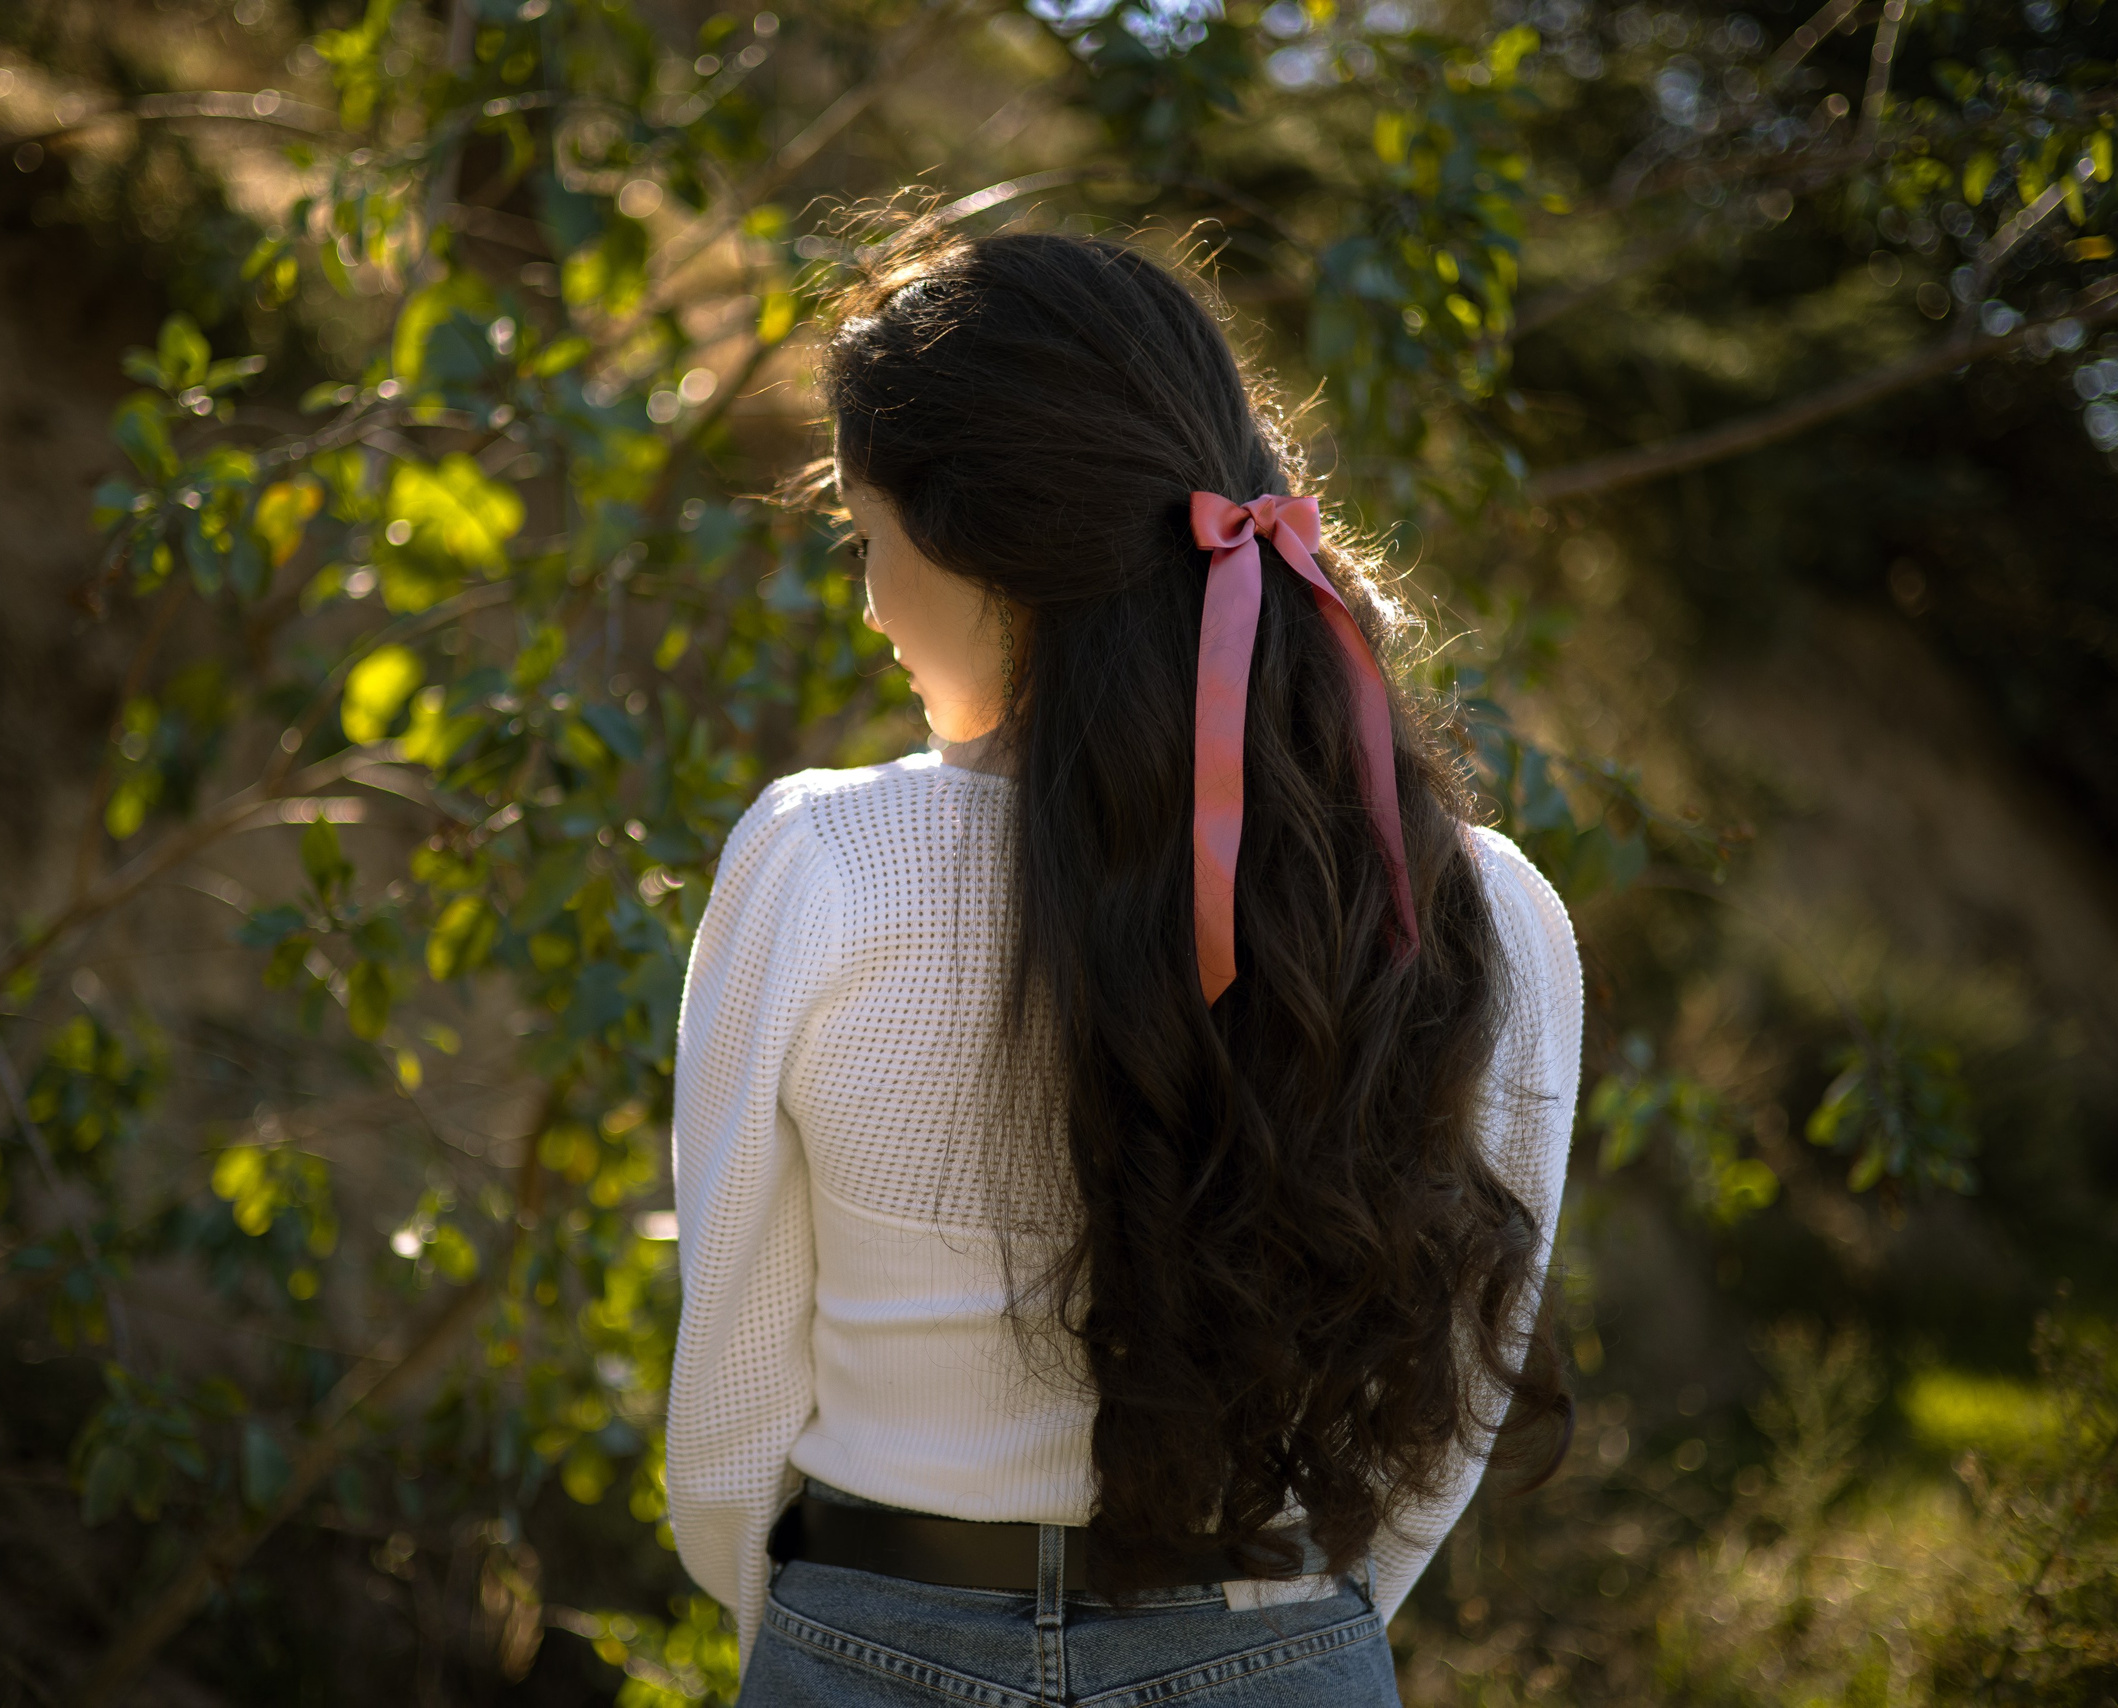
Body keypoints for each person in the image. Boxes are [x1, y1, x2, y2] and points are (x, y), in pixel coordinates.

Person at [665, 228, 1582, 1706]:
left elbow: (733, 1397)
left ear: (985, 546)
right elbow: (1442, 1428)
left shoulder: (821, 863)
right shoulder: (1482, 908)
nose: (867, 601)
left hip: (871, 1638)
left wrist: (807, 1634)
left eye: (866, 537)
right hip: (1283, 1651)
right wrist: (1289, 1629)